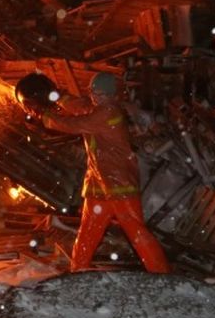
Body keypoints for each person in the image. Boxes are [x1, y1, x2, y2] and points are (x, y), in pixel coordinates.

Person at [30, 72, 170, 273]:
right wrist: (60, 97)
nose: (96, 97)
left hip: (119, 182)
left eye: (100, 94)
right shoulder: (100, 108)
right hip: (100, 181)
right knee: (88, 231)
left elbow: (76, 124)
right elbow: (81, 107)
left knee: (136, 232)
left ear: (111, 95)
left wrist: (45, 117)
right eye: (94, 93)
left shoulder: (109, 112)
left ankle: (161, 272)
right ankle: (78, 270)